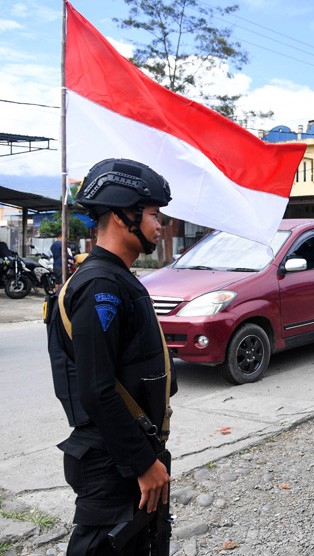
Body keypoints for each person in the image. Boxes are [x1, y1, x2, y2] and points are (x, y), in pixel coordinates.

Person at [47, 158, 174, 555]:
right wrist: (141, 464)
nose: (160, 224)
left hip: (128, 453)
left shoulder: (117, 277)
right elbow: (97, 389)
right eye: (154, 213)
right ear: (123, 216)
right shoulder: (101, 284)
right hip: (110, 461)